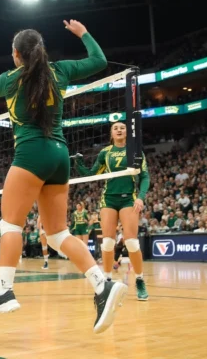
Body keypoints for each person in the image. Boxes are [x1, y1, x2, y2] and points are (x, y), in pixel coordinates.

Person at [0, 19, 126, 334]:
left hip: (31, 154)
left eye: (12, 51)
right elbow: (100, 61)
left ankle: (4, 291)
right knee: (59, 234)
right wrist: (84, 33)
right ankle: (102, 285)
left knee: (10, 224)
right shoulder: (59, 71)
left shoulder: (9, 79)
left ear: (18, 55)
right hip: (60, 155)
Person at [73, 121, 150, 300]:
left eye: (122, 127)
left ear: (126, 132)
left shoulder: (135, 151)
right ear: (111, 133)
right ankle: (106, 281)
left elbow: (145, 176)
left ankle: (139, 280)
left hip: (129, 199)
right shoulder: (105, 153)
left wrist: (141, 196)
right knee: (107, 243)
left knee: (132, 243)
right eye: (115, 128)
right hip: (108, 199)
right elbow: (92, 174)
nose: (119, 129)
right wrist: (79, 163)